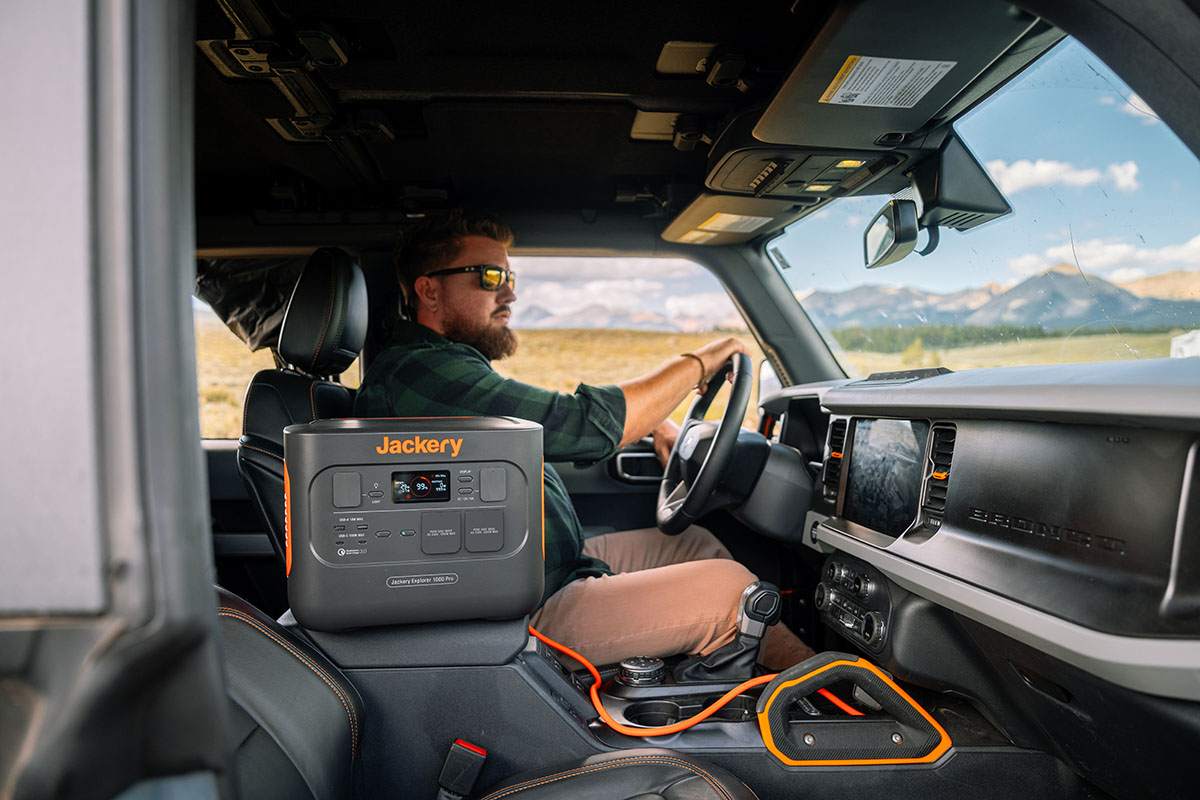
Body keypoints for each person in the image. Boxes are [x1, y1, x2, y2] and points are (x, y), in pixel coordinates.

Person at [354, 209, 815, 670]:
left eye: (510, 277)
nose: (509, 292)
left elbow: (535, 412)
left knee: (692, 543)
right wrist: (701, 361)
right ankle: (837, 697)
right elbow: (579, 423)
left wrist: (655, 424)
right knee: (734, 591)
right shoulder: (420, 373)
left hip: (538, 568)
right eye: (491, 276)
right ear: (429, 290)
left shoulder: (441, 369)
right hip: (517, 611)